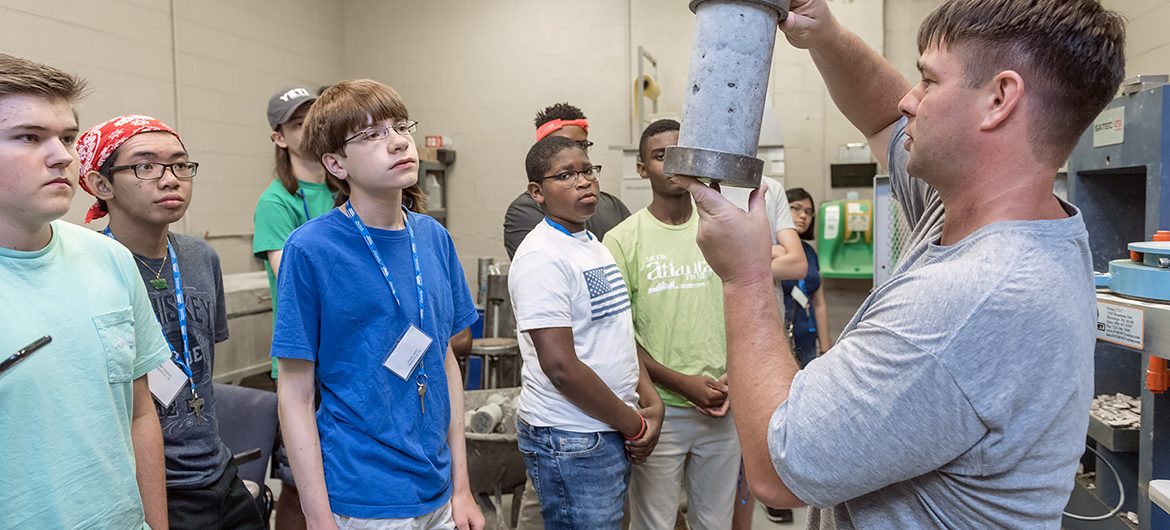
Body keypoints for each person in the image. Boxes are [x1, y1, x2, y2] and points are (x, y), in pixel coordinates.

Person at [683, 0, 1124, 527]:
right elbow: (885, 117)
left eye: (929, 82)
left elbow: (778, 469)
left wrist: (746, 275)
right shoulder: (979, 212)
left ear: (999, 99)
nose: (909, 99)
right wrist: (825, 35)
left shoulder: (975, 298)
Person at [272, 79, 484, 530]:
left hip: (439, 491)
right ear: (336, 163)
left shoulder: (434, 237)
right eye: (371, 135)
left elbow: (446, 362)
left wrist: (463, 489)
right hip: (362, 496)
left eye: (400, 127)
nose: (398, 142)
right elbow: (295, 393)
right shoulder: (311, 249)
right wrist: (317, 516)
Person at [0, 53, 170, 530]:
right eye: (29, 137)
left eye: (67, 138)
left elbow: (139, 414)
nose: (63, 156)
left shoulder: (109, 258)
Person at [78, 115, 265, 530]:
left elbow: (204, 365)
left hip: (218, 471)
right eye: (146, 166)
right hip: (147, 485)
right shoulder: (86, 269)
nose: (170, 179)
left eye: (180, 165)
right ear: (101, 184)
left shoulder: (201, 258)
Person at [508, 135, 664, 529]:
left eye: (587, 170)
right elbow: (561, 367)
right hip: (572, 438)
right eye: (565, 175)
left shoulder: (591, 243)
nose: (583, 181)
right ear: (537, 192)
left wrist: (649, 399)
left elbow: (616, 332)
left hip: (606, 426)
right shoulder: (541, 257)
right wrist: (634, 424)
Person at [604, 119, 740, 530]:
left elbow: (749, 307)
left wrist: (735, 376)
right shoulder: (621, 241)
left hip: (725, 407)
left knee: (715, 523)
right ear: (642, 168)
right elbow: (618, 338)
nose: (674, 164)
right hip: (658, 411)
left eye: (682, 154)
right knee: (655, 524)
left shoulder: (724, 228)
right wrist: (681, 383)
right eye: (661, 156)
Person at [252, 85, 334, 530]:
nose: (310, 129)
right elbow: (297, 282)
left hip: (347, 354)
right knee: (299, 481)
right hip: (305, 358)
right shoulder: (276, 202)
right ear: (279, 137)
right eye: (298, 124)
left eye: (315, 119)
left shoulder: (344, 188)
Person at [502, 102, 630, 258]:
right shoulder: (524, 210)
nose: (573, 151)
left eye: (581, 145)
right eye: (561, 145)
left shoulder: (612, 206)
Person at [779, 187, 832, 369]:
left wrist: (825, 351)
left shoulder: (809, 252)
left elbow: (819, 304)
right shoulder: (772, 249)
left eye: (808, 212)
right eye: (796, 208)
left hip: (808, 341)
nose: (803, 216)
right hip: (781, 344)